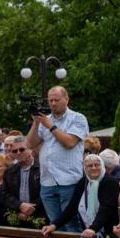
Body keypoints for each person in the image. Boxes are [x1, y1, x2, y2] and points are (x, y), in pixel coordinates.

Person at [26, 86, 89, 227]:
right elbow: (30, 144)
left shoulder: (77, 118)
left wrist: (51, 126)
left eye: (57, 100)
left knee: (71, 223)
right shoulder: (44, 120)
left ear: (66, 99)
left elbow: (70, 142)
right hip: (47, 181)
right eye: (50, 100)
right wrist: (36, 123)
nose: (53, 103)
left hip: (69, 181)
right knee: (54, 225)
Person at [41, 153, 120, 237]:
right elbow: (72, 207)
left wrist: (93, 228)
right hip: (90, 232)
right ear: (85, 169)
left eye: (97, 165)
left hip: (109, 233)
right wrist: (54, 225)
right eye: (90, 166)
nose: (94, 168)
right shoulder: (84, 182)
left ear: (102, 166)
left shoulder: (110, 182)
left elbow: (106, 209)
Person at [1, 137, 43, 224]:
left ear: (30, 150)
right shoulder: (9, 171)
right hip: (17, 216)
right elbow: (4, 194)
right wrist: (19, 205)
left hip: (40, 217)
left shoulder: (42, 168)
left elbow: (46, 192)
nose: (18, 153)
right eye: (15, 151)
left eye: (22, 149)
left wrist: (30, 209)